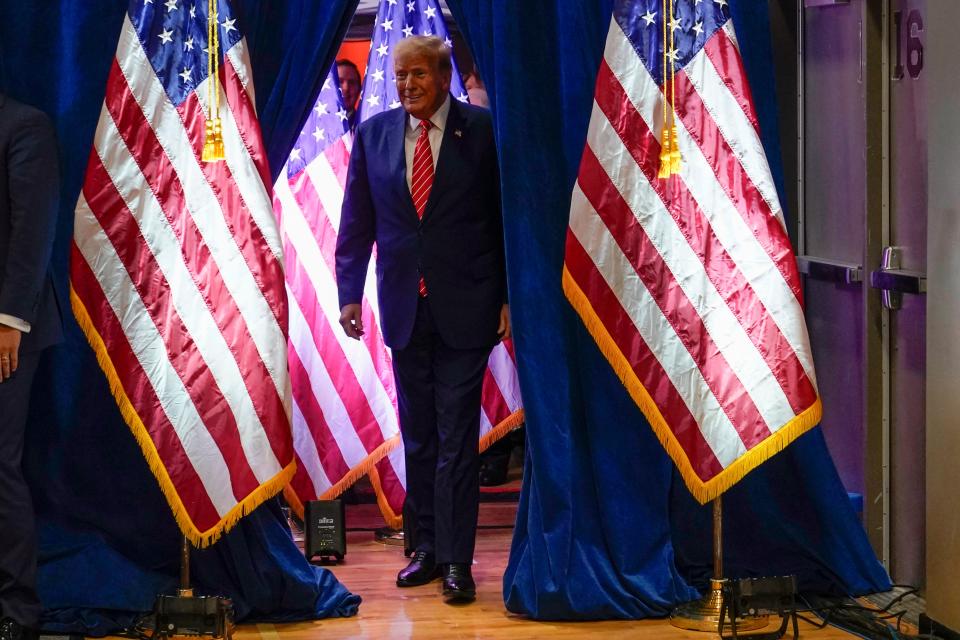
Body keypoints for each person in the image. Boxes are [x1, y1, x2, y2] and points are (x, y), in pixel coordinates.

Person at [335, 36, 508, 604]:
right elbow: (356, 222)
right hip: (405, 309)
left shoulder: (480, 132)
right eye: (400, 75)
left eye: (418, 75)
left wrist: (507, 297)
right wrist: (349, 295)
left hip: (468, 309)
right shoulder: (374, 134)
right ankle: (426, 550)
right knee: (420, 436)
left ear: (442, 76)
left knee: (458, 434)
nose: (407, 85)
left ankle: (459, 561)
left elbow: (500, 222)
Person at [0, 93, 62, 640]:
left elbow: (33, 231)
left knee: (0, 465)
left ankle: (16, 610)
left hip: (7, 331)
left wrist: (10, 320)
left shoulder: (25, 125)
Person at [336, 58, 362, 134]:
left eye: (352, 82)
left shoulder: (365, 124)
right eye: (340, 82)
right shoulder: (314, 124)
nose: (346, 88)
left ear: (359, 89)